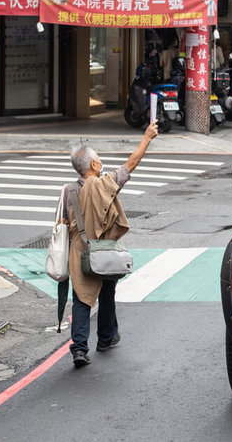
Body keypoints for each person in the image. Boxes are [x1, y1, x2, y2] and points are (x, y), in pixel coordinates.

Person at [63, 121, 158, 367]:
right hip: (103, 251)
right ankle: (105, 338)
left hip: (79, 251)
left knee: (82, 298)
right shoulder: (104, 184)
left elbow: (62, 222)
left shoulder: (69, 190)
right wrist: (147, 137)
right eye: (99, 158)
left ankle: (79, 349)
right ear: (94, 164)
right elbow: (131, 164)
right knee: (107, 292)